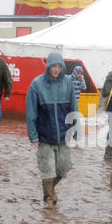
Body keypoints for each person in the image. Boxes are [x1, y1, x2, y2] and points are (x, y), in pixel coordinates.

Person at [25, 51, 78, 206]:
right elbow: (31, 112)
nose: (56, 69)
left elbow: (74, 109)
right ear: (48, 66)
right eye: (53, 66)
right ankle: (48, 198)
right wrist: (33, 135)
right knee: (47, 168)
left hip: (63, 134)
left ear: (62, 67)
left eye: (59, 66)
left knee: (63, 168)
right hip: (45, 135)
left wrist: (76, 132)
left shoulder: (68, 82)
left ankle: (50, 189)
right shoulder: (36, 84)